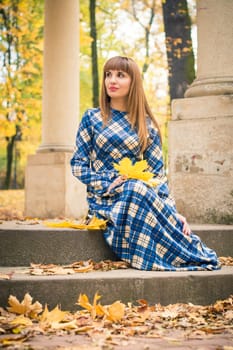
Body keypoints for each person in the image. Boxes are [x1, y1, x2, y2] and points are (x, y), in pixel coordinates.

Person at [71, 56, 220, 271]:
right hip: (104, 198)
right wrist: (108, 182)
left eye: (120, 75)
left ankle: (185, 254)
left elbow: (157, 175)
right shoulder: (92, 117)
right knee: (136, 188)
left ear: (133, 82)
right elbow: (78, 164)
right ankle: (153, 258)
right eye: (108, 74)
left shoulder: (146, 124)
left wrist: (172, 212)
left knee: (137, 188)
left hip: (138, 193)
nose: (111, 80)